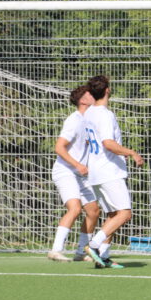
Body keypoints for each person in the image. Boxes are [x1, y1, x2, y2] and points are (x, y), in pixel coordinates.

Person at [83, 75, 144, 270]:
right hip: (109, 171)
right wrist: (131, 152)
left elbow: (88, 141)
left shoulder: (89, 113)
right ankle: (93, 245)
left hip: (96, 171)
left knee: (113, 215)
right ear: (107, 90)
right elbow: (108, 143)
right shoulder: (105, 114)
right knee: (124, 214)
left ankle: (103, 256)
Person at [49, 85, 101, 262]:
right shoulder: (74, 120)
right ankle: (56, 250)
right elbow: (59, 147)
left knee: (93, 211)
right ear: (83, 100)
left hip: (81, 174)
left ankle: (82, 252)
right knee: (75, 208)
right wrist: (77, 164)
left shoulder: (91, 121)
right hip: (66, 171)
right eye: (90, 94)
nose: (94, 96)